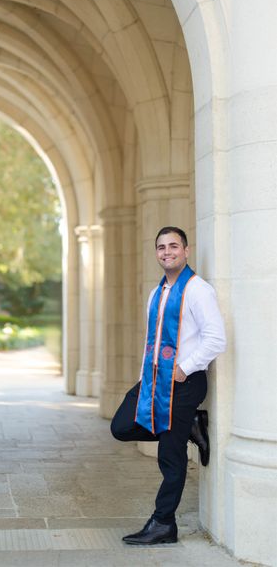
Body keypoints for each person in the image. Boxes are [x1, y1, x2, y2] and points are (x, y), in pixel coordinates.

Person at [110, 226, 226, 546]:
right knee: (121, 426)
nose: (166, 252)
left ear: (186, 251)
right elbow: (154, 341)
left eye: (173, 246)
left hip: (184, 384)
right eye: (161, 247)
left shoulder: (198, 290)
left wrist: (184, 369)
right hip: (154, 383)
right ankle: (188, 426)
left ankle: (163, 524)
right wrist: (145, 378)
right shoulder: (156, 292)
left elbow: (217, 339)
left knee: (169, 457)